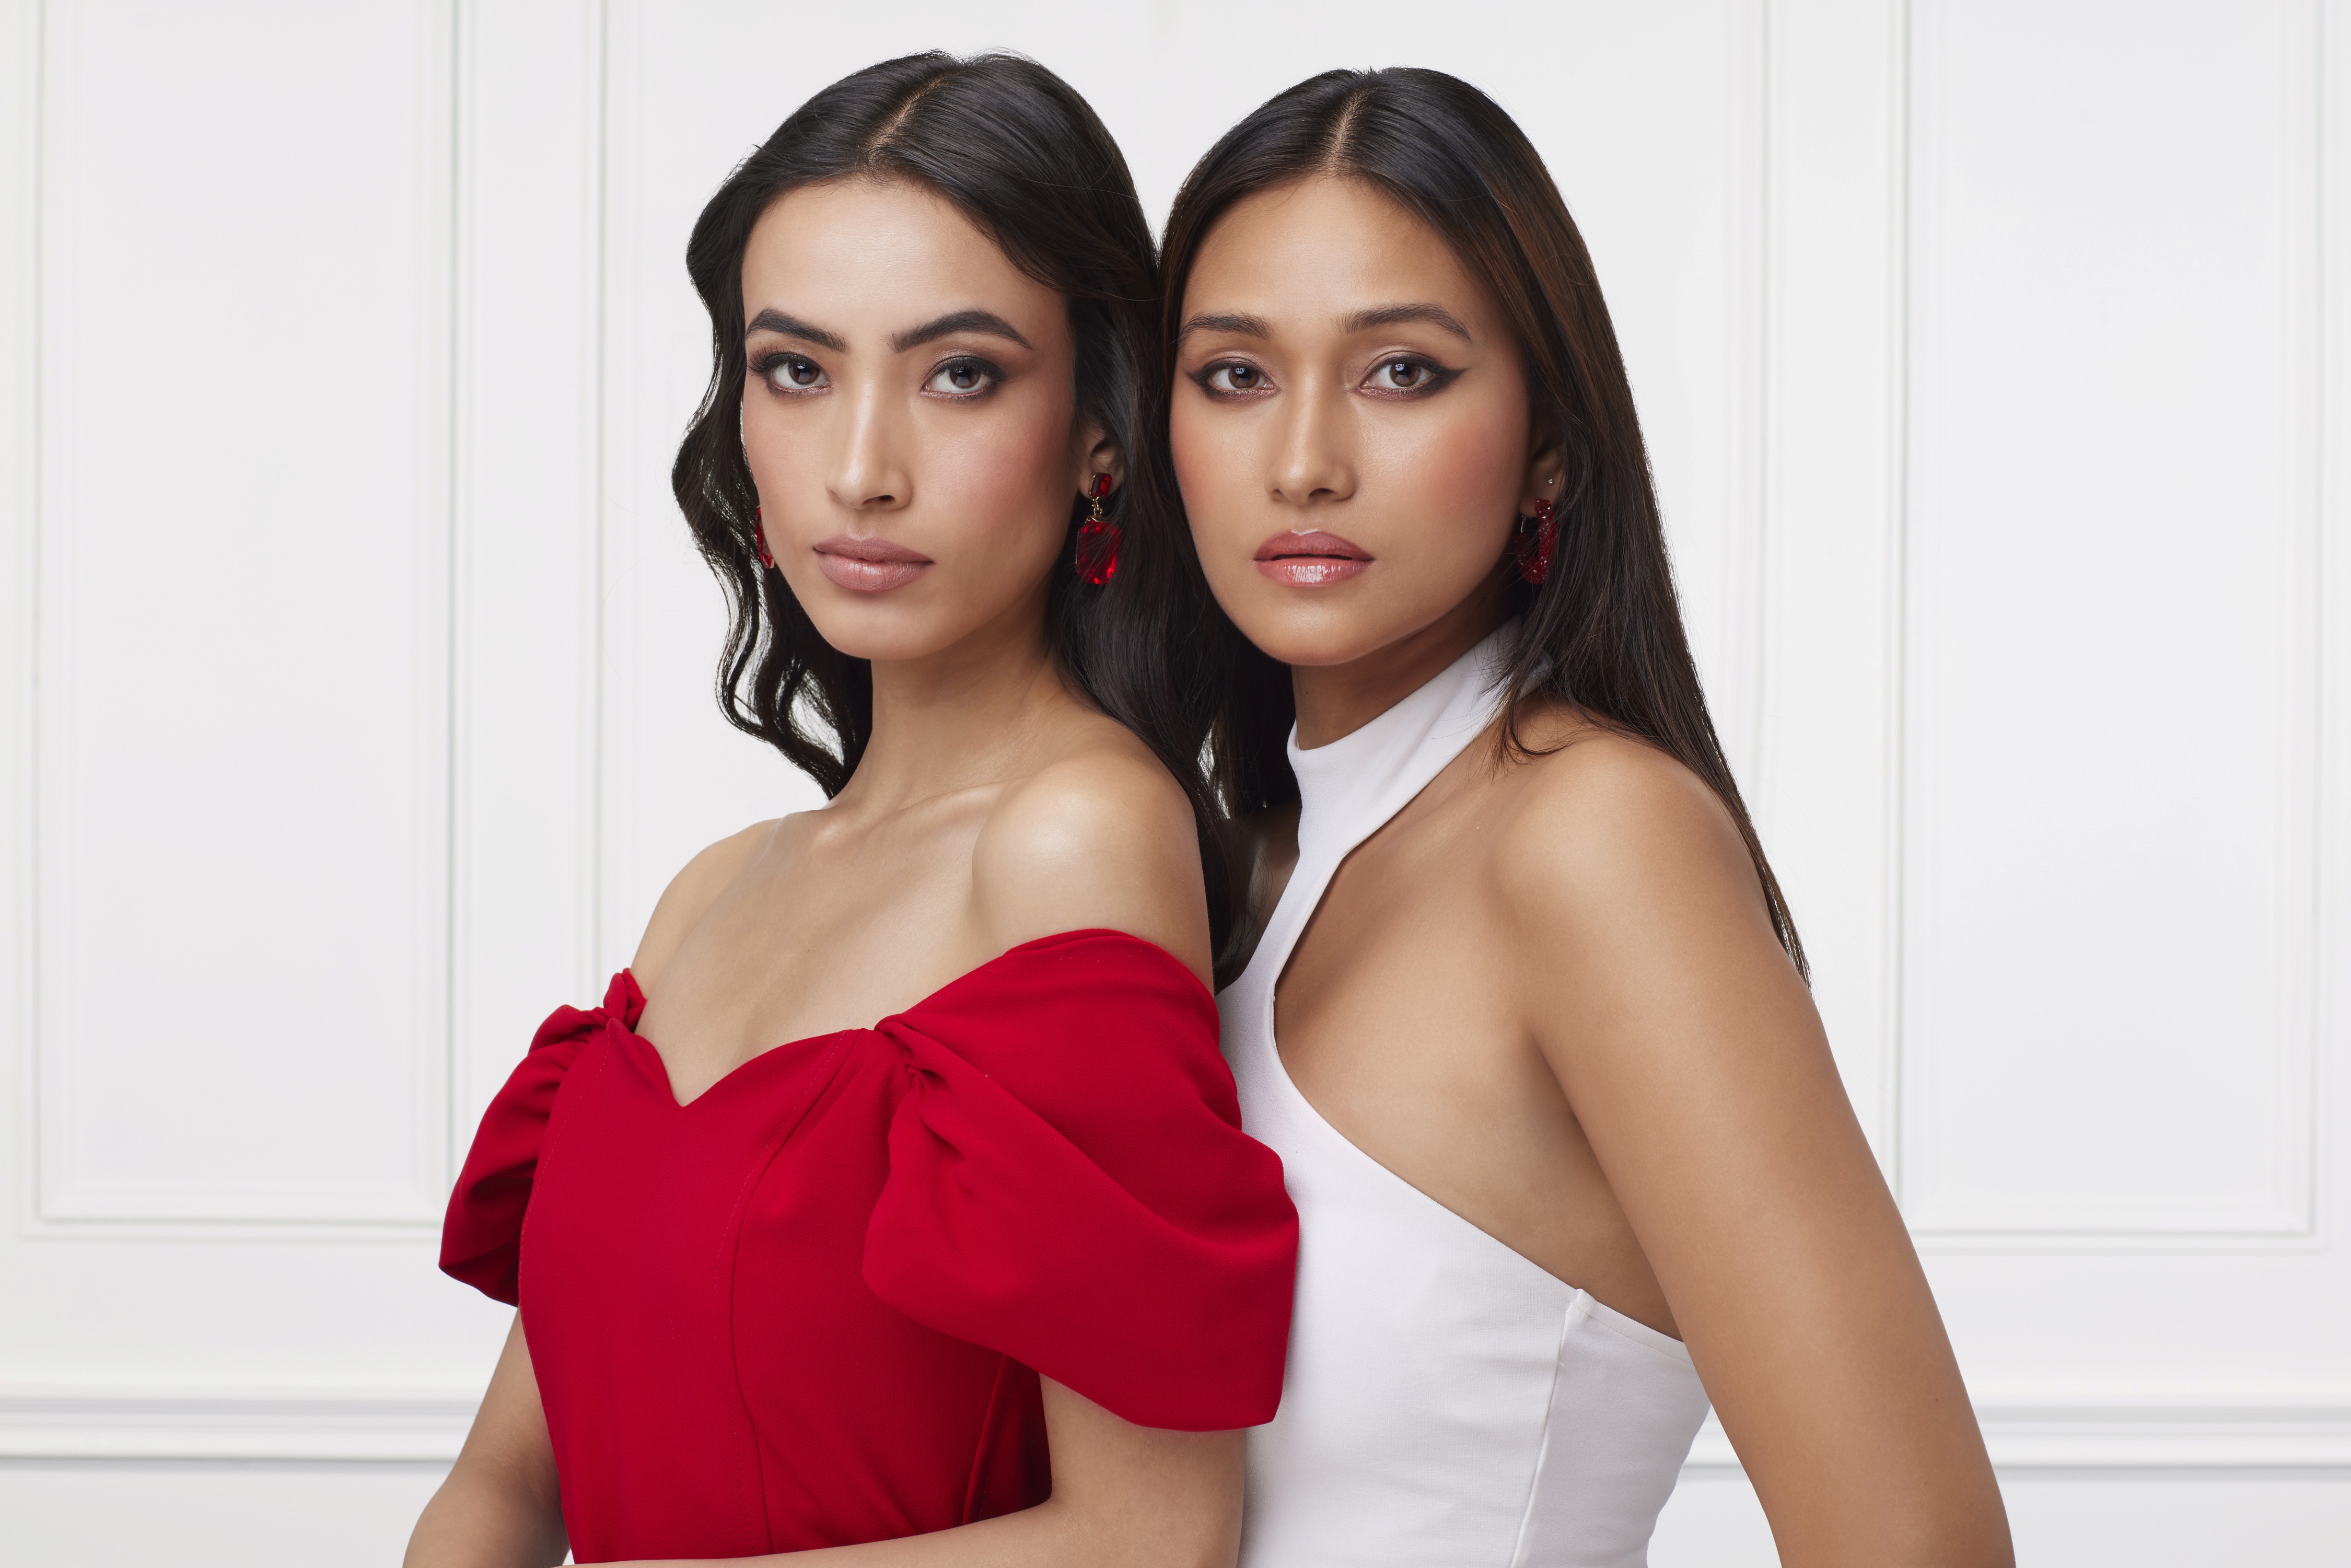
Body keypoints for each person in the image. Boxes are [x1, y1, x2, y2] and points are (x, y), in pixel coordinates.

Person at [405, 52, 1297, 1568]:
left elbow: (1151, 1537)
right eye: (797, 371)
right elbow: (505, 1489)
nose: (862, 469)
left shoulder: (1077, 838)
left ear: (1099, 431)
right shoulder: (708, 894)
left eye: (960, 374)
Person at [1161, 68, 2013, 1567]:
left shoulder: (1594, 842)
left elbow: (1919, 1544)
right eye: (1235, 374)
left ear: (1549, 441)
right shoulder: (1233, 865)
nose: (1302, 461)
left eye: (1401, 372)